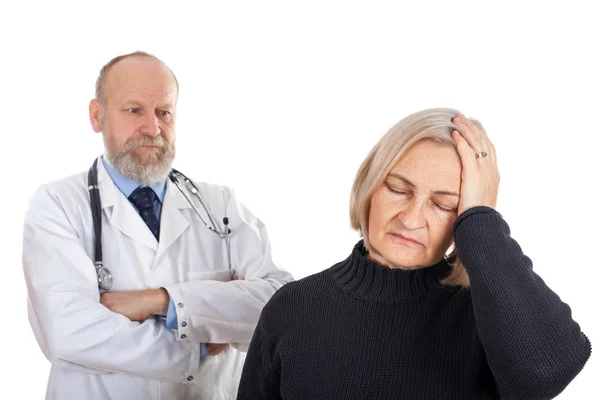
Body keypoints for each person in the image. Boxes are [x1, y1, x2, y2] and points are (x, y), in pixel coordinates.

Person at [236, 108, 592, 399]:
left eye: (443, 204)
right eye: (397, 189)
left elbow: (548, 373)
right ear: (370, 185)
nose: (411, 219)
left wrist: (481, 220)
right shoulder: (293, 308)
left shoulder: (487, 317)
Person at [22, 51, 293, 400]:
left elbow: (280, 305)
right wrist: (195, 346)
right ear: (97, 115)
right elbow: (67, 332)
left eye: (163, 112)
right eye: (134, 110)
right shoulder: (57, 205)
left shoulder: (219, 205)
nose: (152, 128)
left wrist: (162, 301)